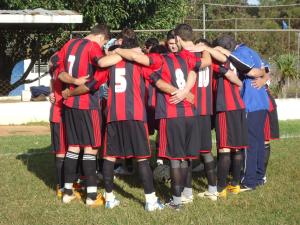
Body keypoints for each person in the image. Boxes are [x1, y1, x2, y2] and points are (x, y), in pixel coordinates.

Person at [63, 28, 179, 211]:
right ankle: (150, 201)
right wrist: (179, 92)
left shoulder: (110, 65)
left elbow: (90, 85)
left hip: (113, 116)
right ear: (136, 49)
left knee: (109, 157)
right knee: (142, 158)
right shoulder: (140, 64)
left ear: (121, 46)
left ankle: (109, 198)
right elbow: (157, 81)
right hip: (135, 116)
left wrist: (70, 92)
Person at [113, 24, 211, 210]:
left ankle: (176, 201)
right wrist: (203, 48)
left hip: (172, 114)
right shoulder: (189, 57)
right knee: (185, 157)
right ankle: (186, 193)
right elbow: (206, 61)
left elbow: (136, 58)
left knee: (175, 158)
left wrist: (119, 49)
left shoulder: (160, 60)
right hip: (190, 114)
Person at [57, 24, 110, 207]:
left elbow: (58, 71)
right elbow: (94, 80)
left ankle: (67, 192)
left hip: (70, 106)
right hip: (88, 106)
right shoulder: (93, 47)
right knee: (91, 149)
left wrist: (71, 84)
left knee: (73, 148)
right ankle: (91, 196)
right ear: (102, 38)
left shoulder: (70, 44)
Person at [214, 35, 269, 191]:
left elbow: (251, 71)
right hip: (262, 102)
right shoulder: (251, 50)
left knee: (249, 144)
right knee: (258, 142)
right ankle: (259, 176)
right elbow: (267, 68)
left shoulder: (238, 54)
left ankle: (248, 180)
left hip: (251, 103)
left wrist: (226, 53)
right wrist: (264, 77)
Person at [48, 51, 88, 199]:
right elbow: (61, 88)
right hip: (60, 114)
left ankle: (70, 183)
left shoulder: (57, 70)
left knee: (71, 149)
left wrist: (51, 93)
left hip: (63, 113)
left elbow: (52, 86)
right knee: (63, 151)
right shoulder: (62, 71)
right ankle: (61, 186)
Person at [251, 61, 280, 183]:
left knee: (264, 139)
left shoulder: (260, 62)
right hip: (252, 101)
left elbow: (266, 73)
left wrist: (263, 81)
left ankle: (261, 174)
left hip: (263, 103)